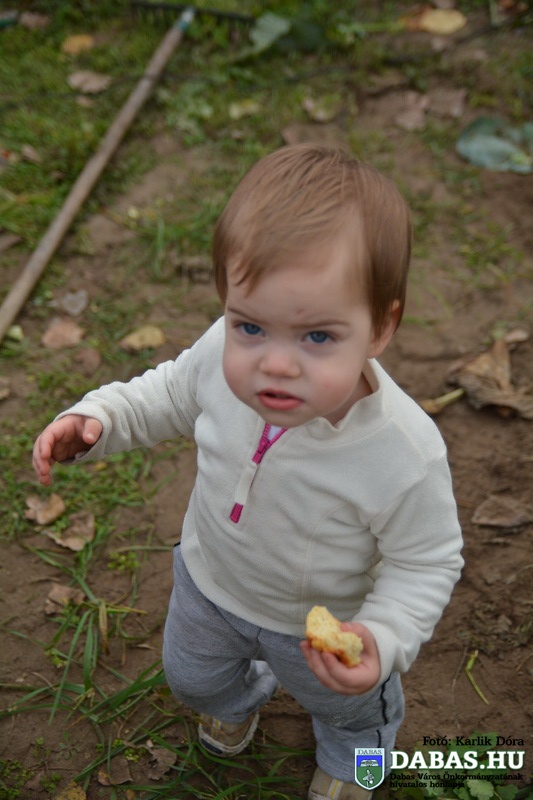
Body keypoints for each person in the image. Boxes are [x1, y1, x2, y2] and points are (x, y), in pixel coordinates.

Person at [33, 144, 463, 800]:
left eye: (317, 337)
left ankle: (356, 762)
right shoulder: (218, 352)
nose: (275, 364)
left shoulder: (402, 453)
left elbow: (425, 561)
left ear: (380, 326)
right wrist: (102, 418)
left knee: (350, 710)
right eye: (251, 326)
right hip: (208, 585)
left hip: (321, 627)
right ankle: (235, 700)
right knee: (194, 679)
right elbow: (168, 392)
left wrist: (383, 637)